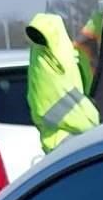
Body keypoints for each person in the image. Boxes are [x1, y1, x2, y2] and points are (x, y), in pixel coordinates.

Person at [21, 13, 98, 153]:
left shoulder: (44, 58)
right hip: (65, 141)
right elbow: (61, 103)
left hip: (60, 141)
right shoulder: (53, 62)